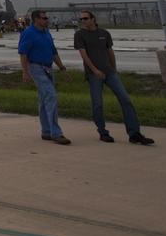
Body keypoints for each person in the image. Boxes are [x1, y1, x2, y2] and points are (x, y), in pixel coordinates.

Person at [74, 11, 154, 145]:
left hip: (109, 72)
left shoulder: (104, 34)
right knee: (98, 103)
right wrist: (94, 70)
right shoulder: (80, 35)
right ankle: (103, 132)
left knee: (126, 100)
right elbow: (84, 55)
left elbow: (110, 51)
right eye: (81, 19)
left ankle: (134, 133)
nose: (83, 21)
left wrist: (113, 69)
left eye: (86, 18)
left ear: (93, 19)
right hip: (94, 74)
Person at [19, 9, 69, 144]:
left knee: (44, 99)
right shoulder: (28, 33)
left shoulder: (46, 32)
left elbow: (53, 51)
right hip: (35, 67)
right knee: (51, 96)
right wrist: (25, 72)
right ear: (36, 19)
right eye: (44, 18)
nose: (47, 20)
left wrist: (62, 67)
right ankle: (56, 133)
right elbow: (23, 54)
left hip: (48, 67)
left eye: (47, 18)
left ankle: (46, 131)